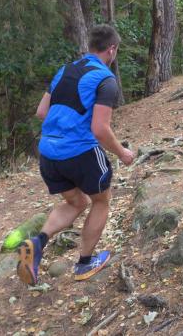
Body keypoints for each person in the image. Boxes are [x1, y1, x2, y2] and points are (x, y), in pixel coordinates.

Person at [17, 25, 135, 285]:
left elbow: (41, 112)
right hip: (80, 152)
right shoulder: (105, 80)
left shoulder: (65, 70)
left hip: (48, 154)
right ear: (112, 49)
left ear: (91, 46)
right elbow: (100, 129)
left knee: (76, 202)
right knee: (101, 201)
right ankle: (84, 263)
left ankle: (37, 243)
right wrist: (123, 153)